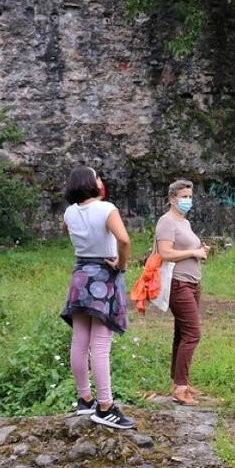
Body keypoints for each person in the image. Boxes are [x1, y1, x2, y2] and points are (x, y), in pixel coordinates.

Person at [60, 166, 136, 431]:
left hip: (80, 275)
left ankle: (85, 399)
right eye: (97, 177)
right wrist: (120, 264)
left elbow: (66, 228)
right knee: (100, 344)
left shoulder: (69, 212)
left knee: (80, 340)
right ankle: (105, 407)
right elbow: (124, 240)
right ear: (90, 182)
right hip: (104, 276)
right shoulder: (107, 209)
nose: (101, 181)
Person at [155, 179, 210, 406]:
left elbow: (186, 249)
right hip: (179, 283)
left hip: (192, 282)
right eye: (183, 196)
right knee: (193, 334)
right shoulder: (166, 222)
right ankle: (180, 388)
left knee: (182, 333)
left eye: (190, 196)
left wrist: (199, 251)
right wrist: (193, 251)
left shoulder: (184, 223)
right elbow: (165, 253)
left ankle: (181, 381)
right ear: (172, 199)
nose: (188, 200)